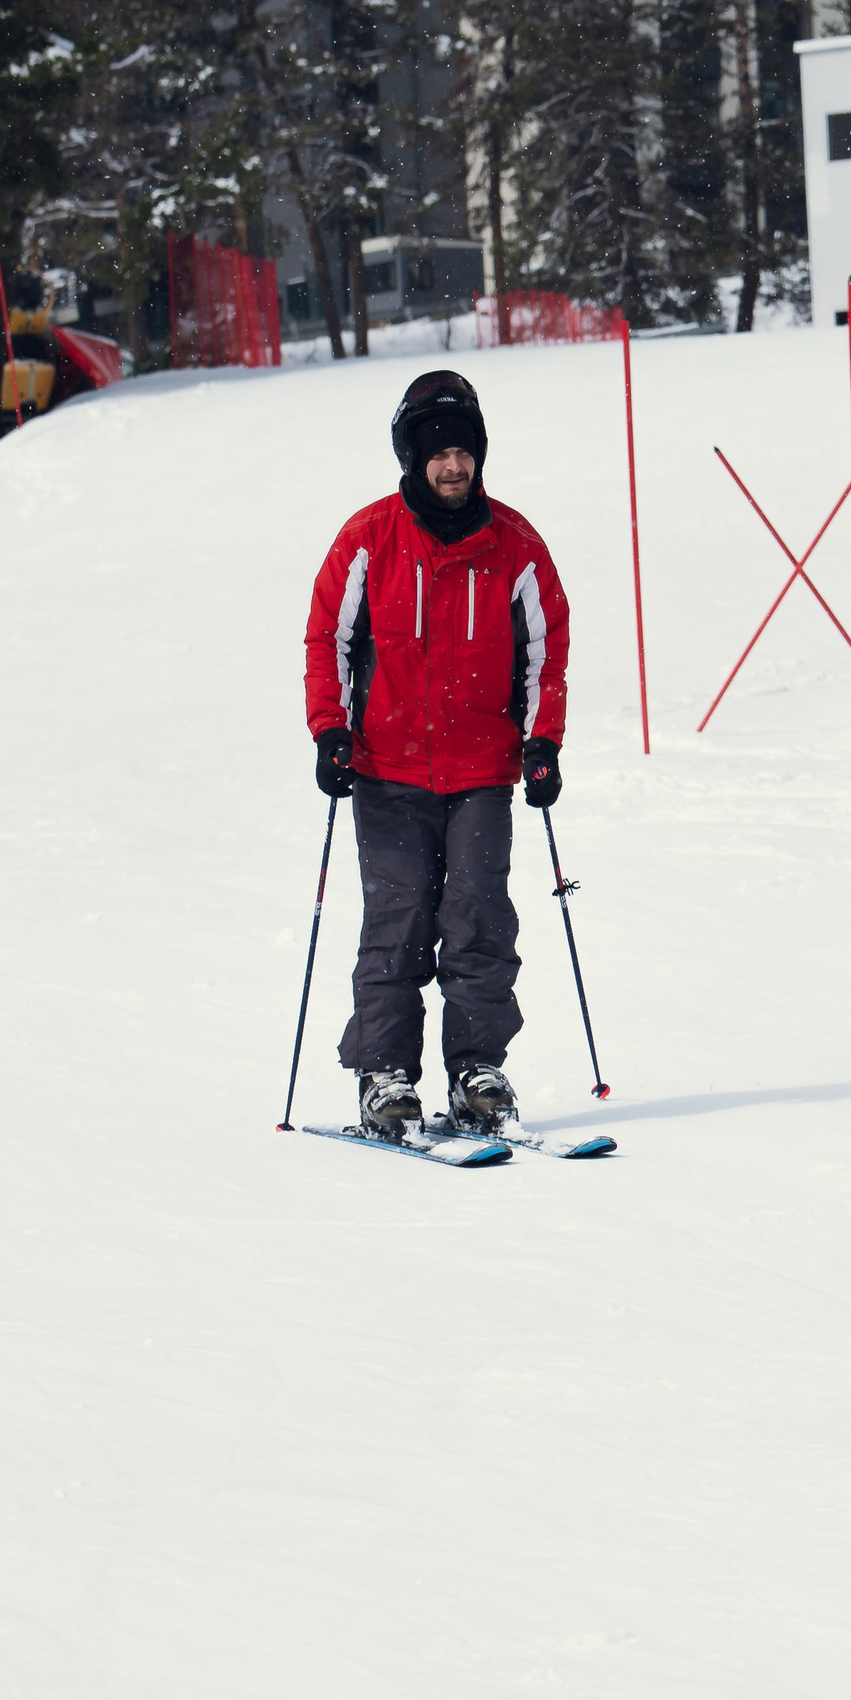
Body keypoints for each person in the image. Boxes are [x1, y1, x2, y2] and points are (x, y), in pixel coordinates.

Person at [304, 369, 570, 1142]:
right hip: (386, 769)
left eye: (464, 453)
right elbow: (328, 640)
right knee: (398, 922)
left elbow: (545, 654)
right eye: (439, 454)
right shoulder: (368, 540)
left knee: (480, 918)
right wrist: (330, 730)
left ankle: (476, 1070)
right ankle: (384, 1075)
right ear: (413, 458)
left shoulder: (516, 547)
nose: (454, 467)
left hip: (482, 772)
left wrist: (543, 741)